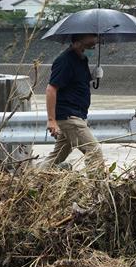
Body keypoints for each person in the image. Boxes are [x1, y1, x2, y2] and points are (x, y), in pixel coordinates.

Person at [40, 33, 105, 172]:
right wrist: (51, 120)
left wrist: (93, 76)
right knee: (94, 152)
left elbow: (76, 83)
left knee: (57, 155)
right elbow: (51, 89)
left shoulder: (81, 59)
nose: (92, 48)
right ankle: (98, 189)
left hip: (77, 114)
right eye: (89, 46)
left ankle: (33, 181)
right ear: (77, 42)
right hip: (69, 116)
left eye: (94, 46)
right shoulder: (65, 61)